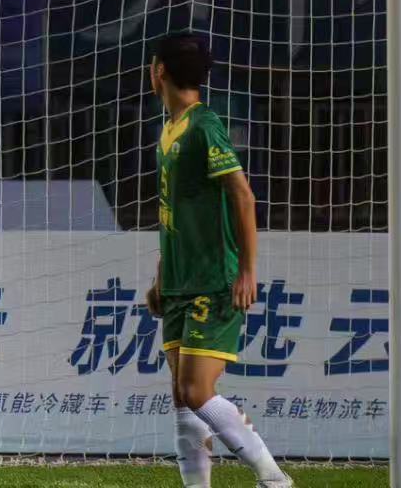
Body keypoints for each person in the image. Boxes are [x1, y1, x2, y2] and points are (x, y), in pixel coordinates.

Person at [145, 31, 291, 488]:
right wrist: (161, 275)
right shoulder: (170, 129)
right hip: (179, 281)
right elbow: (174, 211)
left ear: (158, 70)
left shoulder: (204, 125)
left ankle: (274, 479)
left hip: (212, 280)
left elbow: (243, 196)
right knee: (181, 396)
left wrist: (246, 271)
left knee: (195, 390)